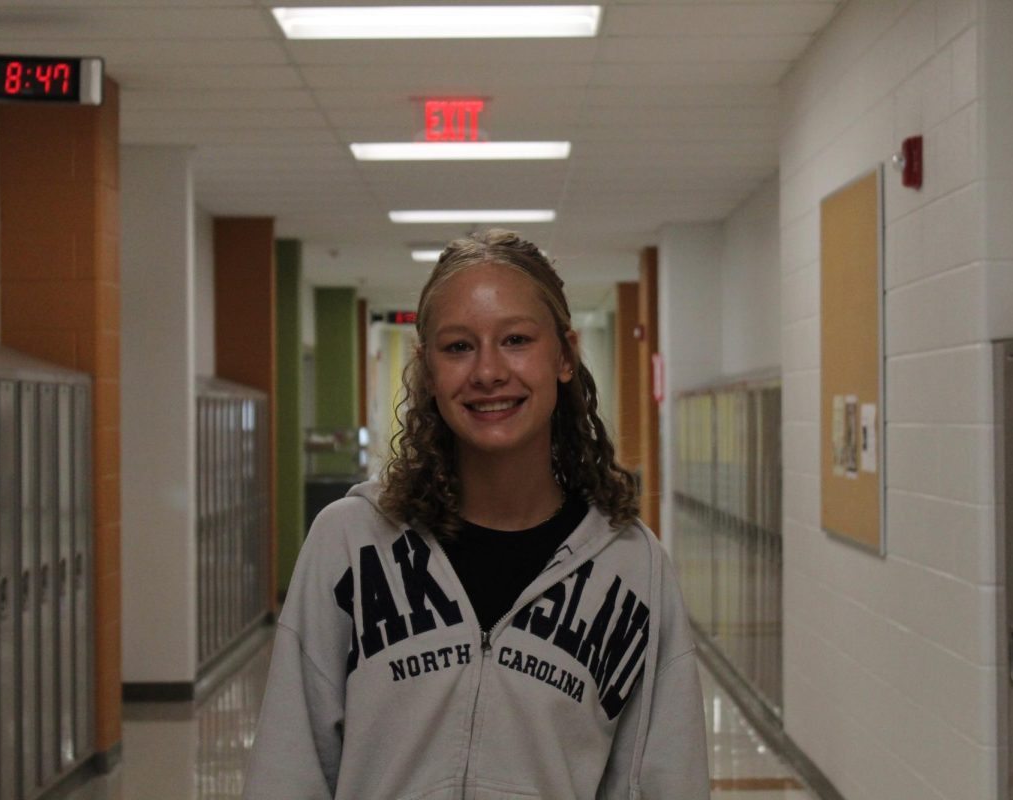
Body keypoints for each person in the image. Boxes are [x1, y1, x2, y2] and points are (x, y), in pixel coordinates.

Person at [243, 229, 709, 799]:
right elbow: (289, 769)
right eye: (458, 346)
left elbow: (665, 779)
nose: (488, 371)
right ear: (428, 368)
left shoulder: (634, 570)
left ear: (564, 355)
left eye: (515, 339)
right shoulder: (349, 543)